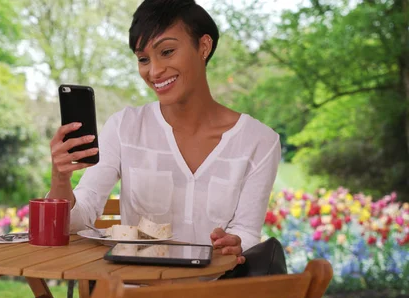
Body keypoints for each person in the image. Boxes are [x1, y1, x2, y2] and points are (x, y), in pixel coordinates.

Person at [47, 0, 280, 265]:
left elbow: (246, 234)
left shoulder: (260, 141)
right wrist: (61, 179)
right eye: (143, 59)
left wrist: (235, 244)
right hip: (139, 294)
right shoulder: (125, 127)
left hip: (215, 294)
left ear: (203, 47)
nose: (154, 71)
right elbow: (77, 220)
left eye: (167, 51)